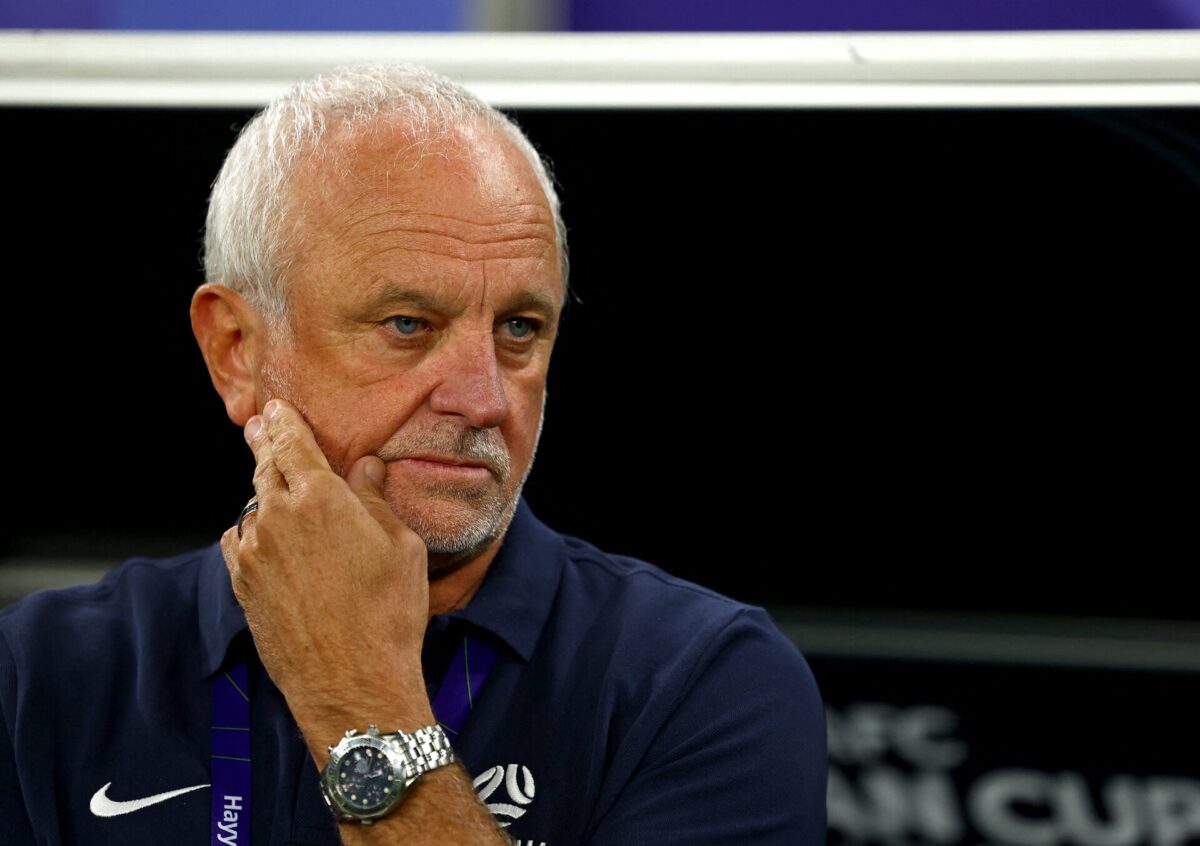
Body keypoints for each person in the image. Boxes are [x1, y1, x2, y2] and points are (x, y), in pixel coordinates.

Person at [0, 64, 826, 845]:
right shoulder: (36, 677)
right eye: (407, 325)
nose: (484, 399)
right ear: (236, 352)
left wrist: (356, 692)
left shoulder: (704, 683)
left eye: (519, 329)